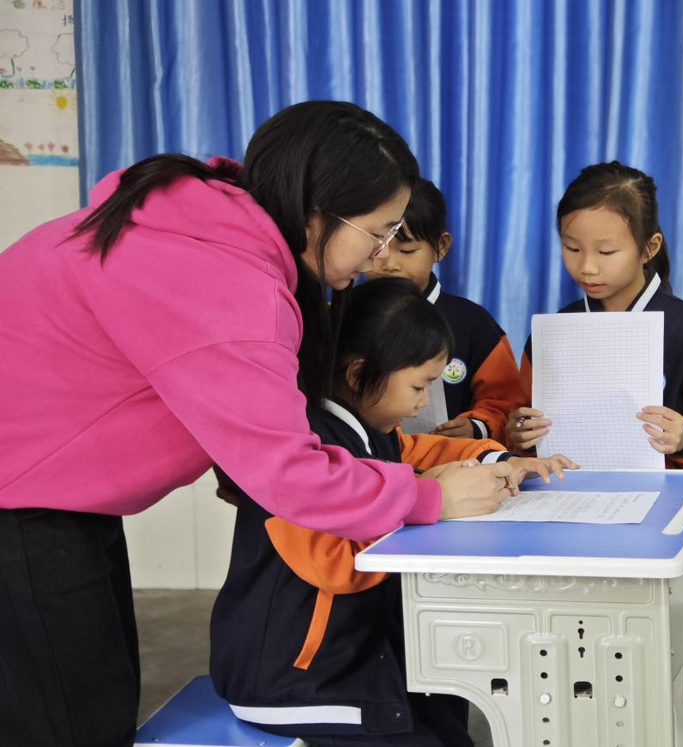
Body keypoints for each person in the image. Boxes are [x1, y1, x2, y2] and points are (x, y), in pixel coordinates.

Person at [0, 101, 514, 747]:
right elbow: (290, 472)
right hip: (18, 498)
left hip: (49, 490)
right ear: (317, 212)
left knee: (87, 697)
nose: (382, 255)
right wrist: (430, 496)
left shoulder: (214, 228)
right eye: (379, 231)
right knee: (69, 721)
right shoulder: (224, 276)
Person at [211, 278, 575, 746]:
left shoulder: (371, 427)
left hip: (360, 654)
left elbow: (420, 453)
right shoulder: (300, 446)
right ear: (360, 374)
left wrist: (499, 460)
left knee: (450, 723)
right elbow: (336, 563)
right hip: (294, 674)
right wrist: (433, 500)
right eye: (419, 385)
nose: (425, 402)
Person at [507, 161, 683, 745]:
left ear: (649, 247)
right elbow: (517, 417)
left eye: (606, 251)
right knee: (576, 654)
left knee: (676, 657)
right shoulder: (554, 330)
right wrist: (518, 434)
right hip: (568, 513)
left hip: (666, 520)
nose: (586, 266)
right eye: (571, 248)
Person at [366, 178, 527, 443]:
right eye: (377, 249)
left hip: (453, 462)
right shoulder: (343, 314)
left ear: (440, 247)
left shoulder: (472, 323)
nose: (389, 264)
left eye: (407, 250)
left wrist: (477, 427)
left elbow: (507, 404)